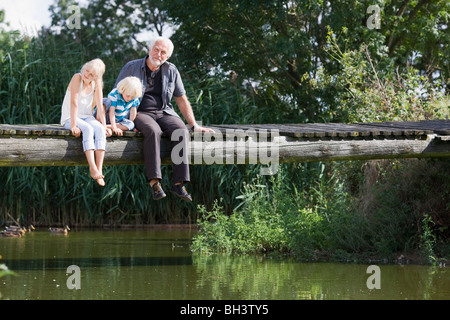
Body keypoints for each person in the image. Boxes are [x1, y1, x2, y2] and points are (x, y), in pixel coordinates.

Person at [111, 36, 214, 201]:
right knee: (153, 131)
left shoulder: (171, 70)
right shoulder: (131, 67)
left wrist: (194, 125)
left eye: (163, 52)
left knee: (181, 131)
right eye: (156, 49)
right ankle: (155, 182)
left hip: (164, 111)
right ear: (149, 50)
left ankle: (178, 184)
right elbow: (116, 95)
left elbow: (181, 99)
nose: (158, 54)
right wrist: (121, 122)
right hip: (138, 112)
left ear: (167, 56)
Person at [60, 58, 112, 186]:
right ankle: (92, 167)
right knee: (88, 129)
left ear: (96, 77)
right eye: (87, 70)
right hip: (71, 117)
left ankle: (99, 169)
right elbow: (74, 102)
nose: (87, 75)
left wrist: (104, 126)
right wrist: (73, 125)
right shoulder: (77, 77)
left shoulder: (96, 82)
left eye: (91, 75)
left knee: (99, 129)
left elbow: (100, 106)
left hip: (87, 116)